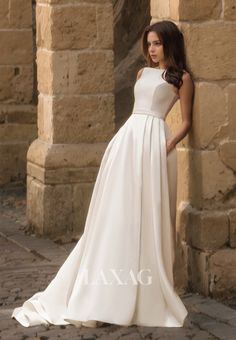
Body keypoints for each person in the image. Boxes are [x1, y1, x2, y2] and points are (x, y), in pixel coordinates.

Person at [11, 20, 194, 328]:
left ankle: (145, 288)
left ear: (169, 45)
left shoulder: (182, 79)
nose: (151, 49)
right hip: (128, 141)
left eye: (157, 44)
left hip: (155, 144)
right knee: (117, 212)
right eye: (148, 44)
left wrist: (167, 145)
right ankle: (104, 292)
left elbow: (187, 122)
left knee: (150, 213)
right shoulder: (141, 73)